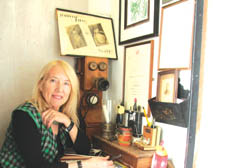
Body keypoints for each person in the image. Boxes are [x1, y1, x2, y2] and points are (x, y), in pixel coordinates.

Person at [0, 60, 114, 168]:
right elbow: (36, 166)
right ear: (41, 85)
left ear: (71, 89)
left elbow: (84, 149)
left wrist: (67, 122)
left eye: (66, 83)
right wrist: (85, 165)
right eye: (53, 80)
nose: (59, 89)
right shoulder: (23, 116)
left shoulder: (65, 113)